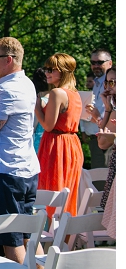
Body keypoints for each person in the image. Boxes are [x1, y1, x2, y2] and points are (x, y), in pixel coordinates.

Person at [0, 37, 41, 268]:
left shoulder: (7, 88)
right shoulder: (26, 83)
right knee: (28, 237)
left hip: (6, 171)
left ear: (8, 59)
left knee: (11, 241)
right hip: (25, 169)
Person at [35, 53, 84, 216]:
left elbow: (48, 126)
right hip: (72, 144)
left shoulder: (57, 93)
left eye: (51, 69)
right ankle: (67, 234)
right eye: (46, 69)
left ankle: (53, 233)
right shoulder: (75, 93)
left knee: (53, 189)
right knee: (68, 191)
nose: (46, 72)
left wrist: (36, 107)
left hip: (57, 144)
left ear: (63, 71)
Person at [85, 48, 113, 169]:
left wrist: (97, 118)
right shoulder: (97, 83)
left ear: (110, 63)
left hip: (110, 140)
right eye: (93, 62)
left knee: (105, 182)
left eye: (100, 62)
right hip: (96, 138)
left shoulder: (112, 85)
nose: (96, 65)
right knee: (98, 182)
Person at [96, 66, 115, 238]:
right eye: (106, 82)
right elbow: (102, 142)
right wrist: (107, 108)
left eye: (113, 82)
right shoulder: (114, 108)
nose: (108, 87)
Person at [31, 67, 50, 155]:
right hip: (51, 140)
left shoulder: (37, 101)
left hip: (38, 142)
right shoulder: (55, 100)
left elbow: (33, 125)